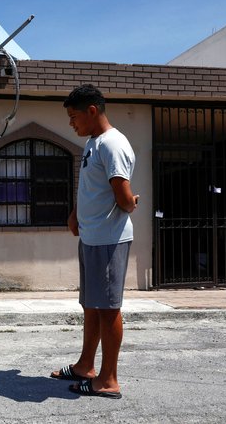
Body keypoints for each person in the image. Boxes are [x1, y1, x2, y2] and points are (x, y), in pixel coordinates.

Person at [50, 84, 138, 399]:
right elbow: (93, 187)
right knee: (91, 306)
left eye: (74, 117)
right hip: (92, 237)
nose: (71, 123)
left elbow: (124, 197)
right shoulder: (93, 143)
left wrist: (132, 203)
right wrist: (76, 214)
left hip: (109, 240)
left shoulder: (113, 144)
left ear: (92, 111)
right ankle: (86, 365)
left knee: (108, 309)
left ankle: (109, 379)